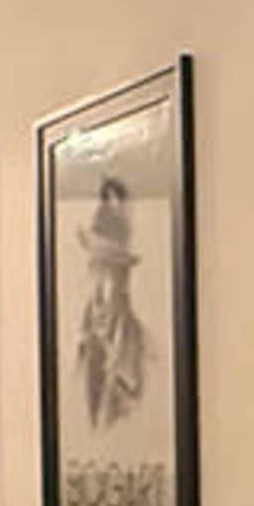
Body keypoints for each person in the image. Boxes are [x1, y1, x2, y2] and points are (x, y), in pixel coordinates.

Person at [76, 176, 151, 429]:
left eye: (106, 273)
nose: (97, 291)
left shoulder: (143, 357)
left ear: (123, 282)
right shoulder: (81, 350)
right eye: (93, 269)